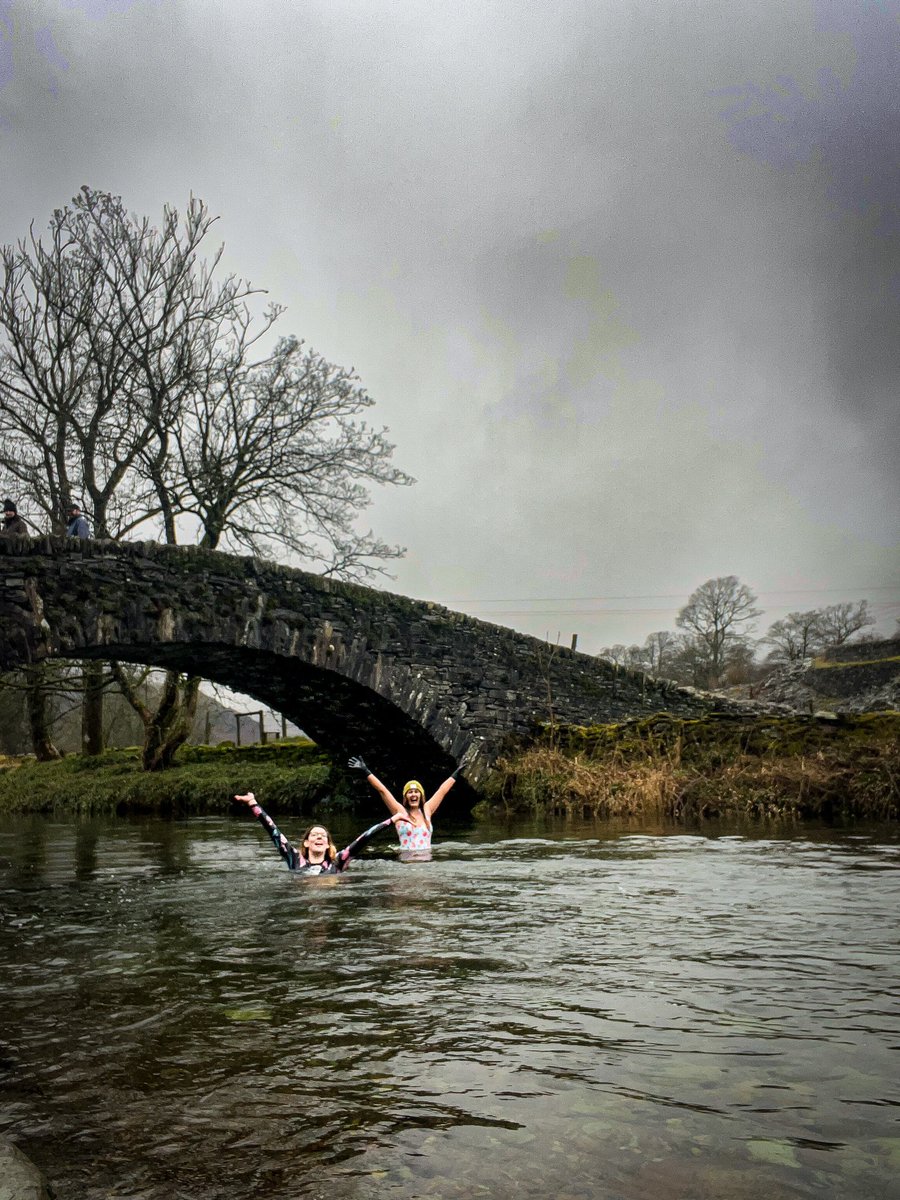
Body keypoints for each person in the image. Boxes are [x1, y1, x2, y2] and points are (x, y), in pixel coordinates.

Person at [234, 791, 405, 874]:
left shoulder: (338, 861)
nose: (319, 837)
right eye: (314, 835)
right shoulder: (294, 858)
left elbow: (365, 838)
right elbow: (273, 831)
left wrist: (392, 820)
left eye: (323, 836)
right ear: (306, 842)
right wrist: (253, 803)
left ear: (328, 844)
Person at [347, 756, 461, 852]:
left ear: (421, 796)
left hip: (426, 865)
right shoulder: (400, 812)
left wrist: (457, 773)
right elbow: (383, 790)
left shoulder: (427, 810)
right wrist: (366, 771)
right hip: (406, 863)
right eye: (410, 792)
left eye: (416, 792)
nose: (413, 795)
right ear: (405, 797)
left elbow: (442, 791)